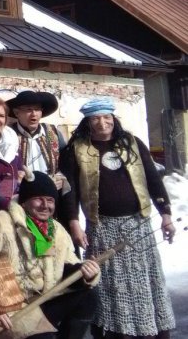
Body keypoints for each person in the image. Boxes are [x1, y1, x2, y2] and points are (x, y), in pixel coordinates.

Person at [60, 97, 176, 339]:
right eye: (95, 118)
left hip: (138, 225)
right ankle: (117, 332)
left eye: (107, 117)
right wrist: (74, 223)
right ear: (88, 122)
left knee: (145, 281)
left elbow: (153, 180)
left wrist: (166, 214)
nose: (102, 123)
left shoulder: (131, 143)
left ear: (114, 119)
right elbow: (69, 190)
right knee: (112, 285)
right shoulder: (76, 149)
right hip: (102, 228)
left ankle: (150, 330)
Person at [0, 171, 100, 339]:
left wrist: (85, 272)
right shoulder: (0, 222)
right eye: (39, 199)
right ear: (24, 201)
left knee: (89, 296)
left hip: (44, 299)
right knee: (43, 337)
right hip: (11, 306)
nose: (45, 205)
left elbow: (68, 266)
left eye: (50, 200)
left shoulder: (56, 229)